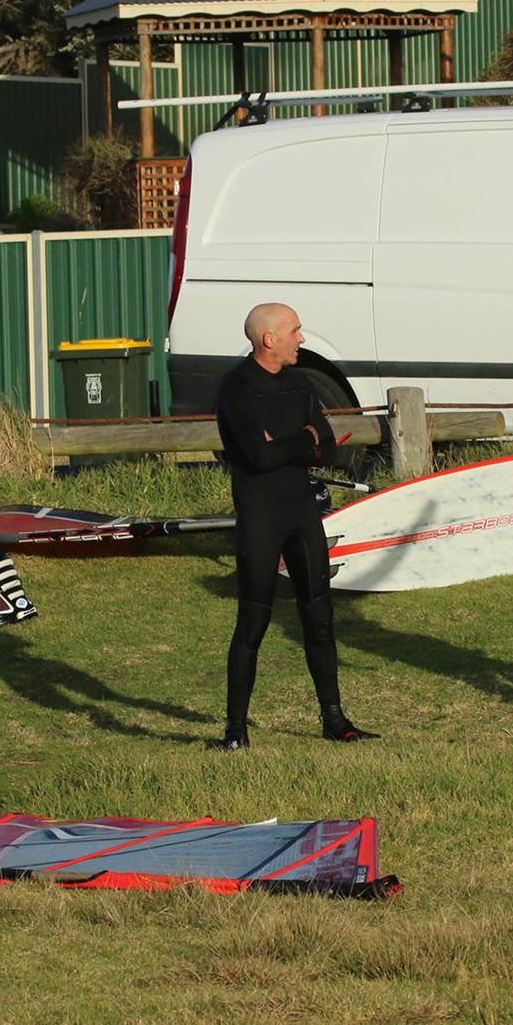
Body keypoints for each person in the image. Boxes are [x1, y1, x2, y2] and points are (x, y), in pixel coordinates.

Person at [213, 302, 376, 750]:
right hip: (260, 518)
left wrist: (293, 443)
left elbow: (329, 450)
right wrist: (303, 440)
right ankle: (235, 731)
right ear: (269, 339)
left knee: (320, 617)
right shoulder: (237, 388)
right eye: (294, 331)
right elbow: (257, 456)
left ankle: (335, 719)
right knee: (253, 623)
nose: (301, 338)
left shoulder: (301, 383)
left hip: (302, 514)